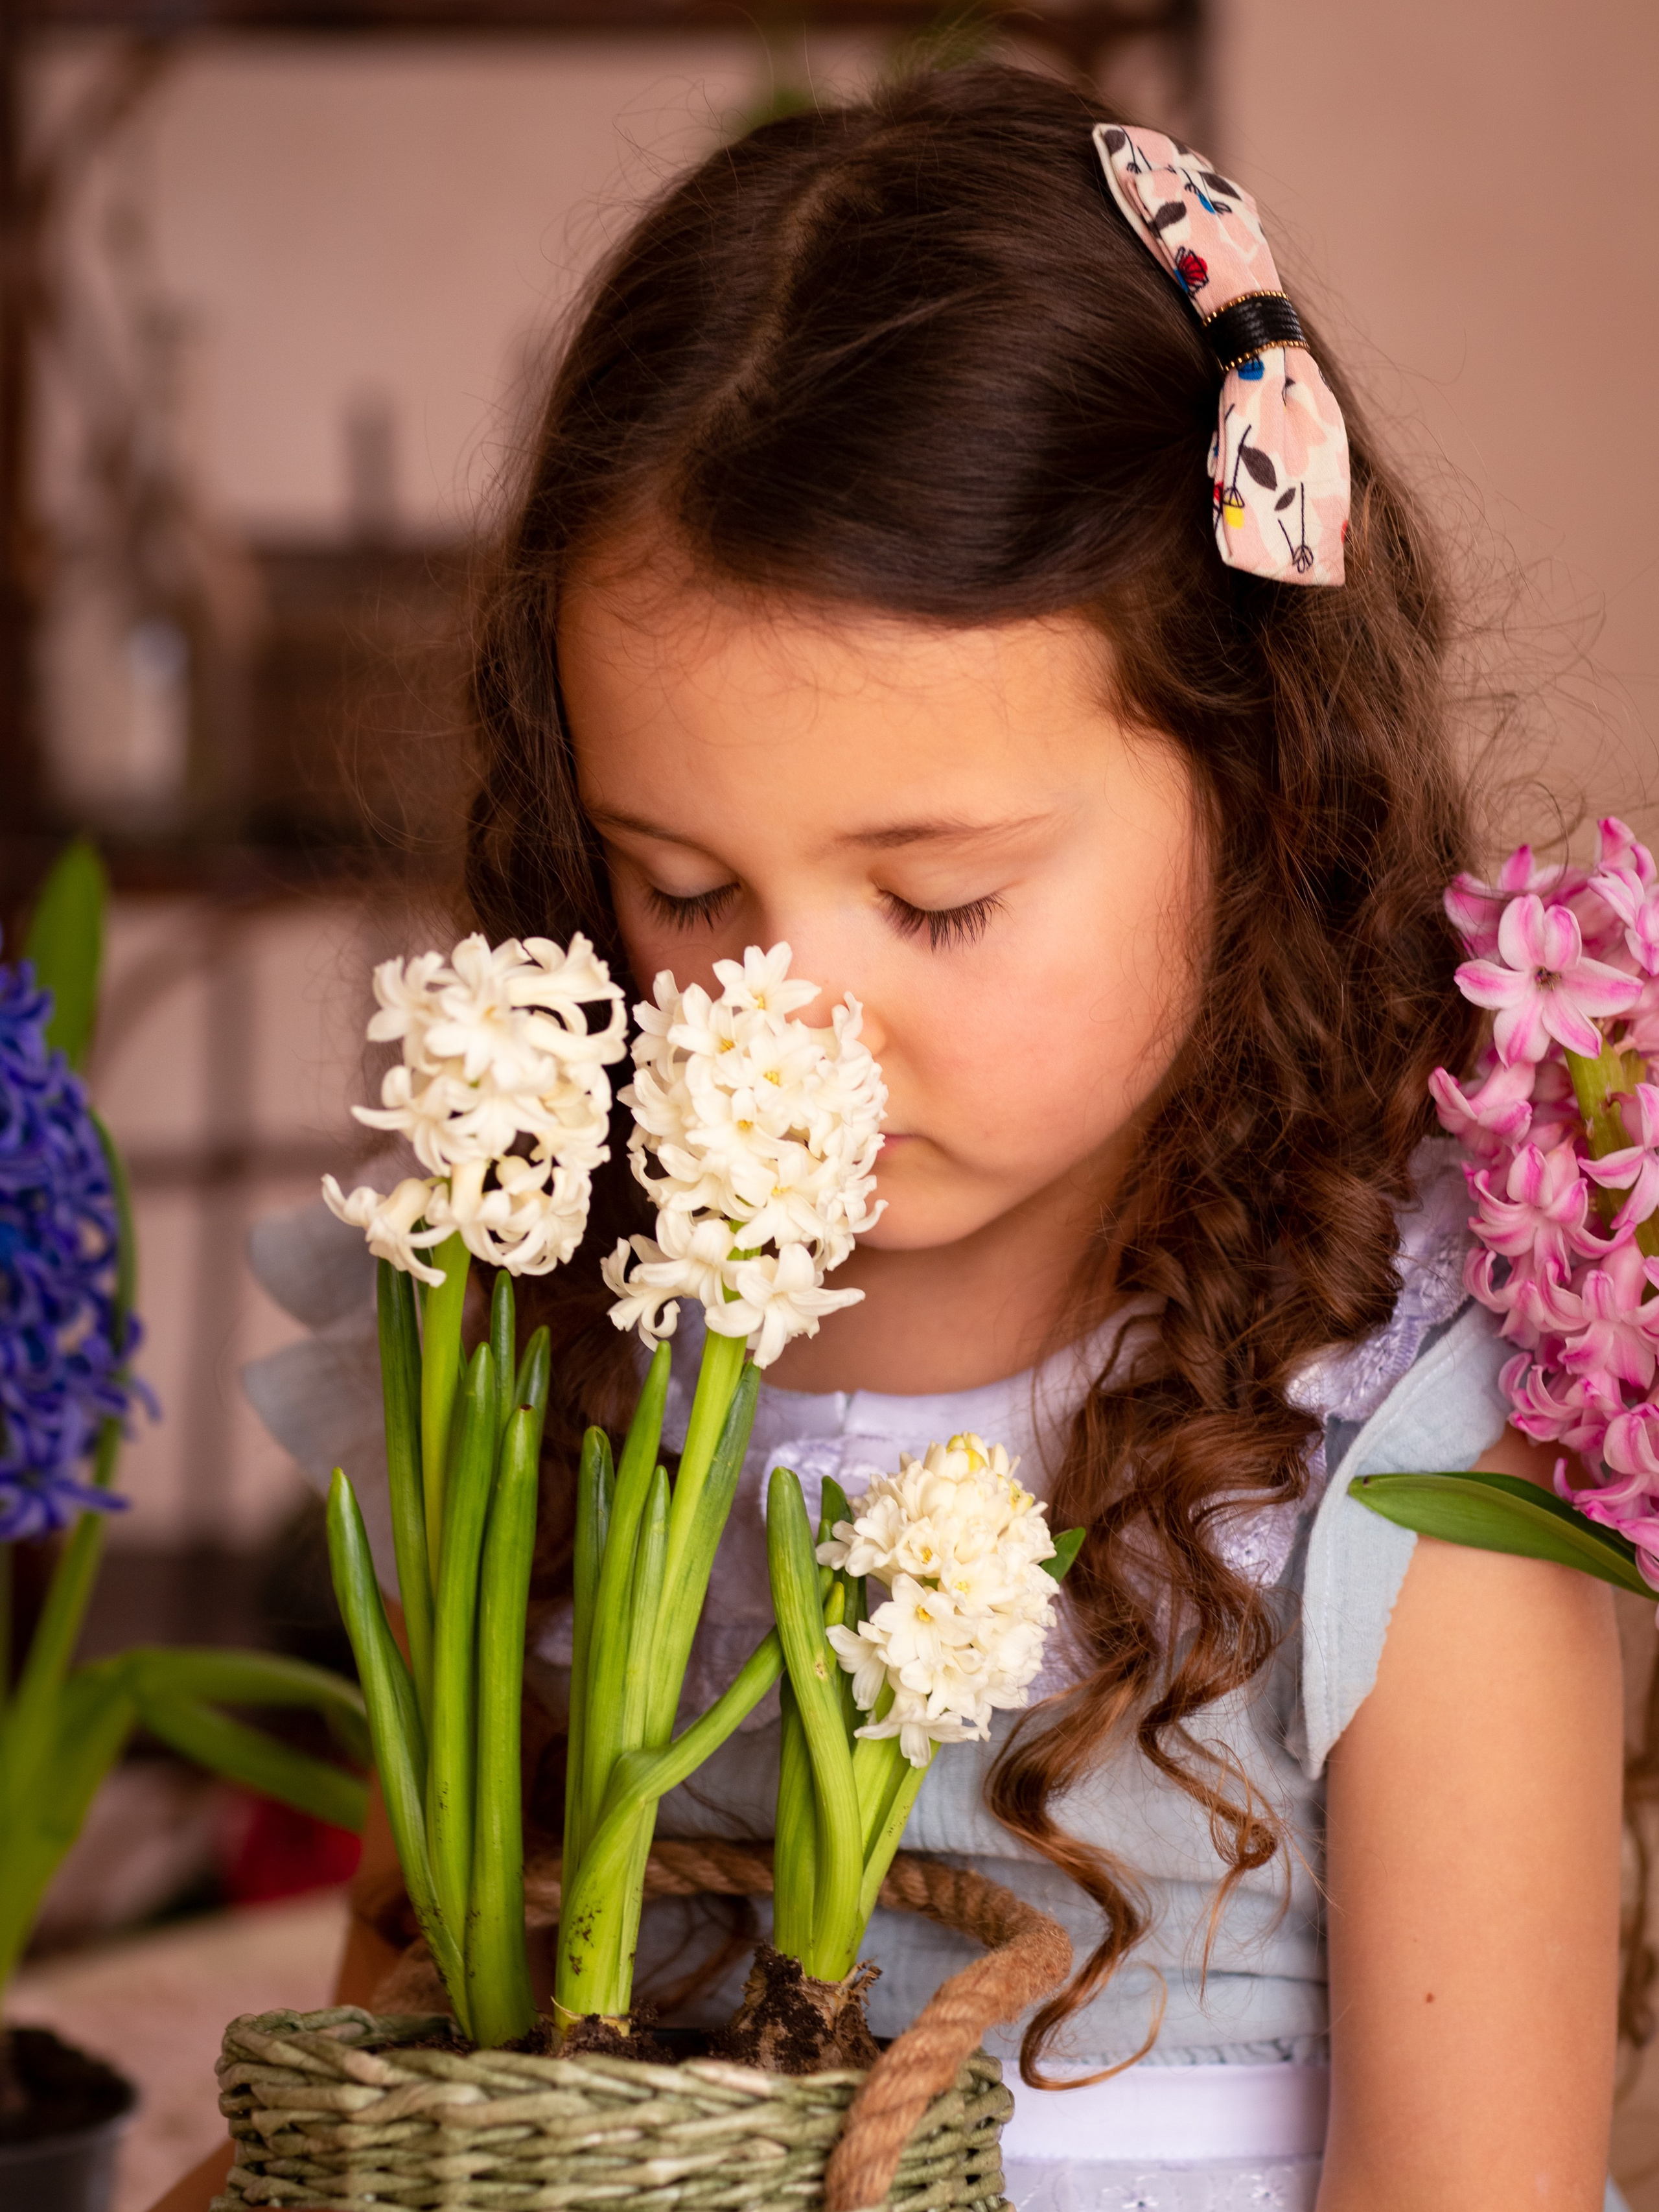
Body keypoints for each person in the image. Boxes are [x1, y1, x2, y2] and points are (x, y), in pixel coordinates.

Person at [155, 61, 1626, 2212]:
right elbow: (409, 2070)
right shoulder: (548, 1347)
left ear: (1261, 785)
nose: (790, 1021)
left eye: (936, 900)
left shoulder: (1393, 1433)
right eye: (678, 887)